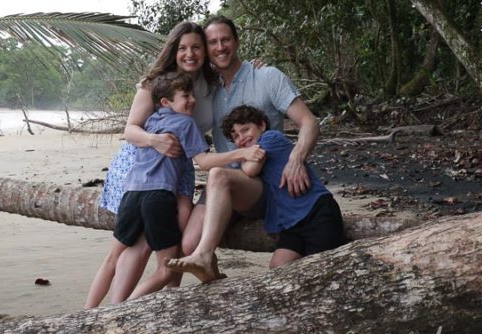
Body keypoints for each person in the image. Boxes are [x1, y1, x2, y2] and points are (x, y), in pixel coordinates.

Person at [168, 15, 321, 281]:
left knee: (217, 175)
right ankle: (219, 287)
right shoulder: (208, 89)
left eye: (225, 40)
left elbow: (309, 122)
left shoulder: (267, 76)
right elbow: (172, 99)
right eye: (212, 42)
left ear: (237, 42)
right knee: (189, 243)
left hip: (262, 184)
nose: (220, 47)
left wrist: (296, 159)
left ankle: (204, 256)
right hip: (225, 183)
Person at [96, 73, 263, 303]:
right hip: (159, 196)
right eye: (186, 96)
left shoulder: (152, 120)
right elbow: (203, 161)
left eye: (193, 94)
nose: (193, 100)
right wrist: (242, 152)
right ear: (166, 101)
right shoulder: (186, 122)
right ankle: (121, 308)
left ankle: (90, 311)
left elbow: (132, 131)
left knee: (113, 258)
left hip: (131, 194)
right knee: (166, 270)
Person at [86, 22, 217, 307]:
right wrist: (155, 141)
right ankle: (115, 308)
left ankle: (164, 303)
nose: (190, 54)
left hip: (179, 167)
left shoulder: (211, 84)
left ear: (205, 51)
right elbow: (131, 129)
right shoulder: (157, 82)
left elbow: (238, 78)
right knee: (140, 243)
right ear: (174, 50)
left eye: (196, 47)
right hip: (143, 163)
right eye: (182, 48)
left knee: (177, 231)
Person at [176, 105, 344, 278]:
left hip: (317, 212)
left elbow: (250, 170)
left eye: (246, 129)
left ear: (262, 126)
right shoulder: (250, 152)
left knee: (324, 274)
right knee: (278, 268)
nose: (242, 138)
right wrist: (243, 154)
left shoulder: (271, 138)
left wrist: (242, 154)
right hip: (292, 224)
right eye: (235, 136)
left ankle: (204, 253)